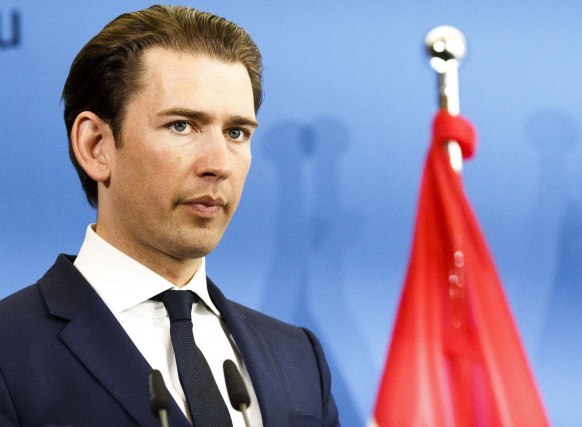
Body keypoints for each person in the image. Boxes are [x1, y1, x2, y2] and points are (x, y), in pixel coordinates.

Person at [0, 5, 339, 426]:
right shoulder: (10, 351)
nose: (219, 164)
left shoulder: (298, 357)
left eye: (236, 133)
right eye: (182, 125)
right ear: (96, 146)